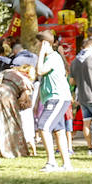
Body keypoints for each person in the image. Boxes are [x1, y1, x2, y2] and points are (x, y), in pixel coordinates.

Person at [32, 31, 75, 170]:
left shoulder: (52, 58)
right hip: (53, 98)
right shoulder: (52, 58)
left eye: (38, 43)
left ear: (44, 43)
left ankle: (51, 162)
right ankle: (67, 164)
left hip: (57, 98)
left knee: (43, 126)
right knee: (59, 131)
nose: (36, 46)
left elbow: (39, 71)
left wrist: (42, 53)